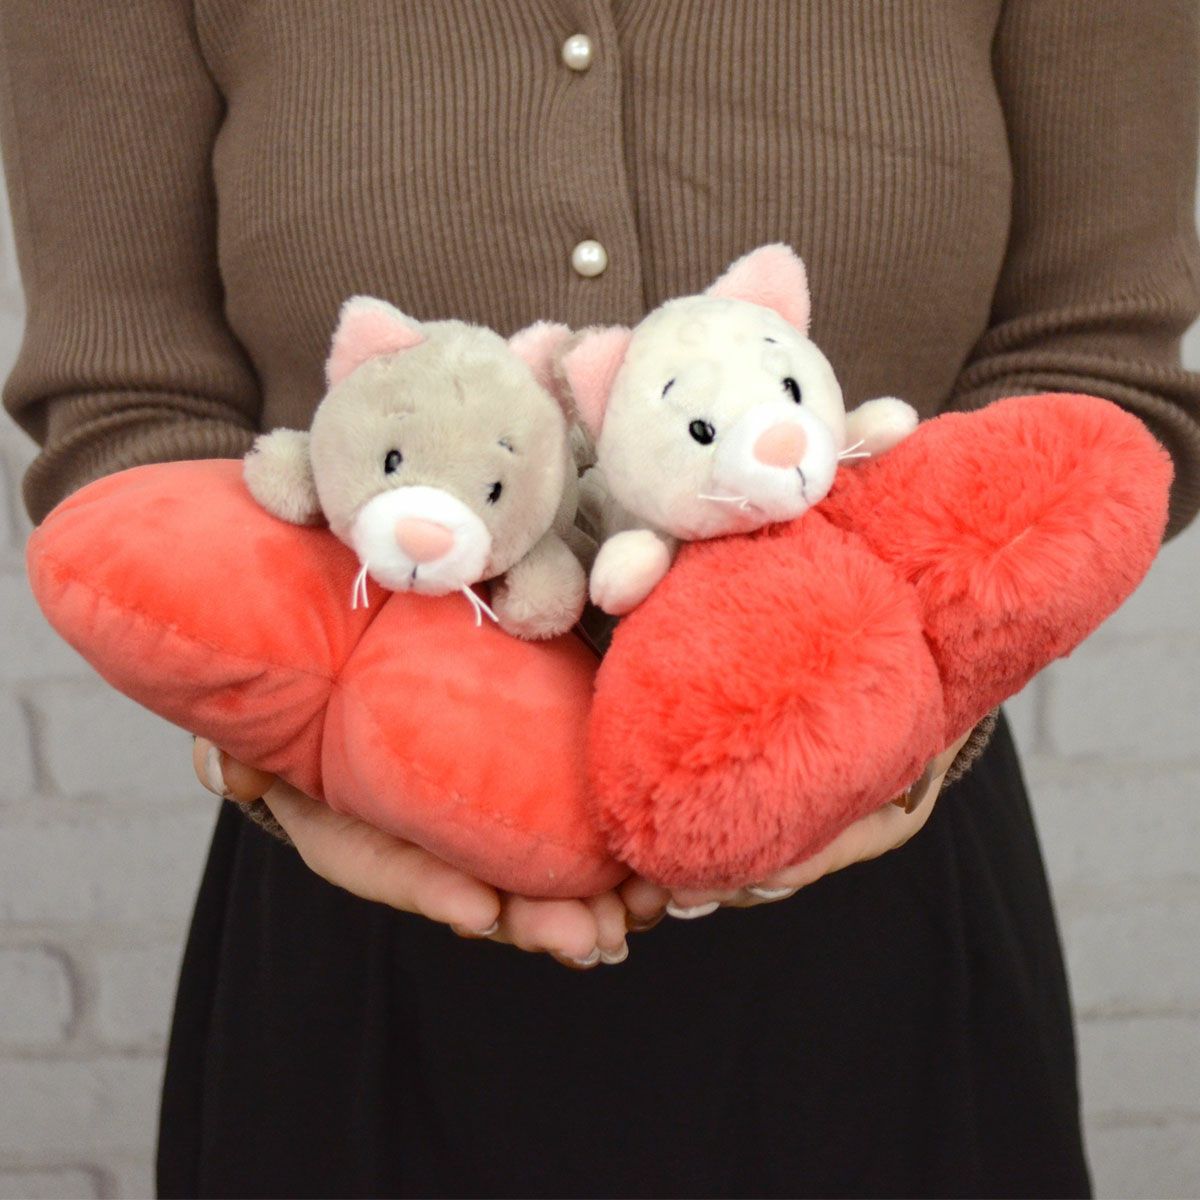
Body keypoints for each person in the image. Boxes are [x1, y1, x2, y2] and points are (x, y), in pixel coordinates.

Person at [3, 3, 1198, 1196]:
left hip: (892, 909)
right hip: (359, 916)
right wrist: (304, 737)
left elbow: (1094, 367)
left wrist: (920, 687)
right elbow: (131, 408)